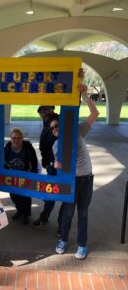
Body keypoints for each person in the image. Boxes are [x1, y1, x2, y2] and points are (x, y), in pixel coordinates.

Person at [53, 84, 99, 260]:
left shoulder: (78, 130)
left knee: (83, 213)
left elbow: (95, 114)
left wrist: (85, 96)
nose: (56, 129)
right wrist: (57, 166)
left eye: (58, 125)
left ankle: (82, 245)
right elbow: (60, 165)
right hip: (70, 182)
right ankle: (63, 240)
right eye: (53, 128)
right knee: (67, 213)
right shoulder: (56, 145)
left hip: (86, 180)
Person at [4, 128, 38, 224]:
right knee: (13, 195)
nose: (16, 140)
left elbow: (34, 162)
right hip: (12, 176)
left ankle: (26, 214)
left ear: (22, 138)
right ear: (10, 138)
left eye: (19, 138)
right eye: (14, 138)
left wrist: (33, 175)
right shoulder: (7, 148)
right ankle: (20, 210)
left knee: (25, 196)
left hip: (25, 174)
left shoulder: (28, 147)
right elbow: (2, 162)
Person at [33, 106, 59, 228]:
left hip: (65, 165)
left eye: (46, 110)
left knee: (68, 194)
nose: (44, 114)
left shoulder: (61, 121)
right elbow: (43, 146)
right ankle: (44, 217)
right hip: (51, 166)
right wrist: (46, 163)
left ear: (52, 109)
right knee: (50, 192)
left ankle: (63, 225)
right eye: (41, 113)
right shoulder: (45, 126)